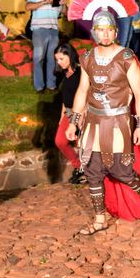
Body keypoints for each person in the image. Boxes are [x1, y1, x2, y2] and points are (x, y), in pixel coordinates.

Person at [65, 11, 140, 234]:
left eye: (109, 29)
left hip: (117, 121)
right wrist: (74, 121)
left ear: (116, 32)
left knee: (120, 169)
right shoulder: (87, 57)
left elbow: (138, 94)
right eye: (101, 29)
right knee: (92, 169)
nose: (105, 33)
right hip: (92, 120)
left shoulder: (126, 57)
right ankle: (100, 218)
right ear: (94, 32)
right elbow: (82, 90)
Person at [25, 0, 65, 93]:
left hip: (53, 29)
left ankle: (51, 85)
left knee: (52, 58)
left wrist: (64, 5)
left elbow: (64, 12)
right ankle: (39, 86)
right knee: (38, 58)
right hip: (39, 29)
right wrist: (44, 2)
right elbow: (28, 7)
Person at [53, 43, 84, 184]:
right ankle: (79, 166)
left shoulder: (80, 72)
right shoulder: (64, 73)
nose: (59, 62)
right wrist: (62, 116)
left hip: (81, 112)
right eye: (57, 60)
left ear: (69, 55)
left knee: (82, 143)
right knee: (60, 141)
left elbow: (85, 94)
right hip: (68, 112)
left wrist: (81, 115)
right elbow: (65, 97)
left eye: (61, 59)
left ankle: (86, 171)